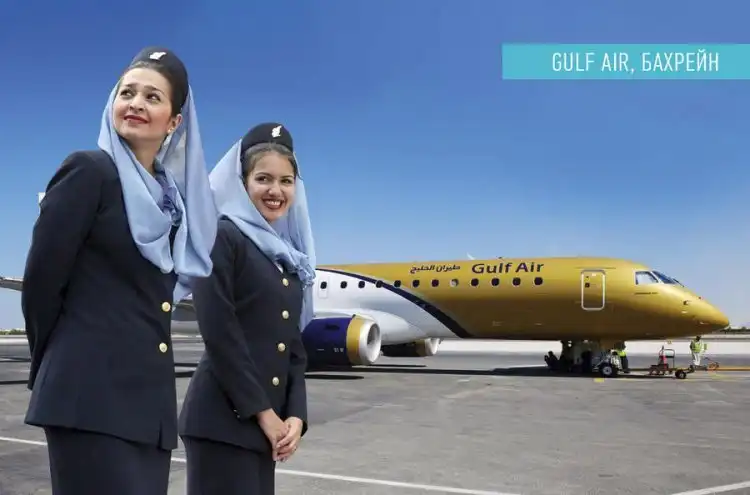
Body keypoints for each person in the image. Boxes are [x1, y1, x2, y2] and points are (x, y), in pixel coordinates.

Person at [21, 46, 218, 495]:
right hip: (88, 397)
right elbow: (41, 284)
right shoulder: (89, 172)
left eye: (152, 97)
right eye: (127, 92)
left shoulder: (171, 205)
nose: (136, 103)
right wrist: (59, 363)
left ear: (174, 122)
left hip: (147, 410)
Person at [178, 122, 315, 494]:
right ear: (242, 184)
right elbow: (220, 335)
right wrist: (264, 413)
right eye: (263, 179)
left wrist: (296, 416)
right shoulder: (222, 238)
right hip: (222, 422)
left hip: (264, 430)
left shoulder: (286, 258)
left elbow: (293, 348)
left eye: (286, 181)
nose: (276, 191)